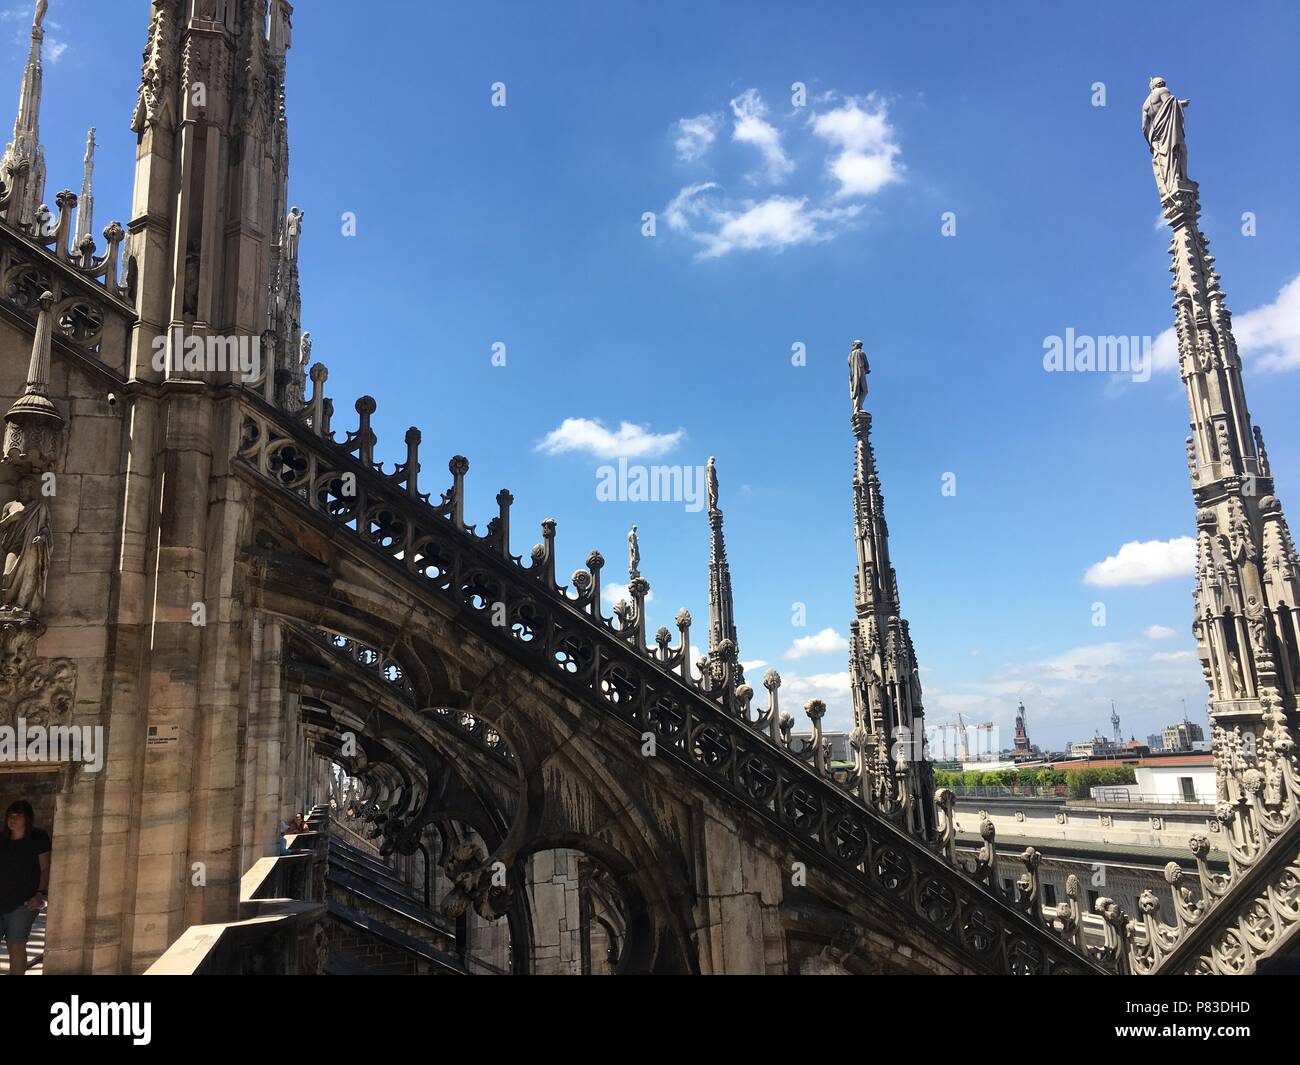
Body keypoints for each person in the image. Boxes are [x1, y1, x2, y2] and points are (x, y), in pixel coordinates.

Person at [0, 800, 50, 976]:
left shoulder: (38, 838)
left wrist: (40, 894)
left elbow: (45, 868)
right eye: (10, 816)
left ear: (27, 818)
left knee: (16, 944)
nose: (12, 820)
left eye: (18, 816)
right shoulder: (2, 839)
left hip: (24, 901)